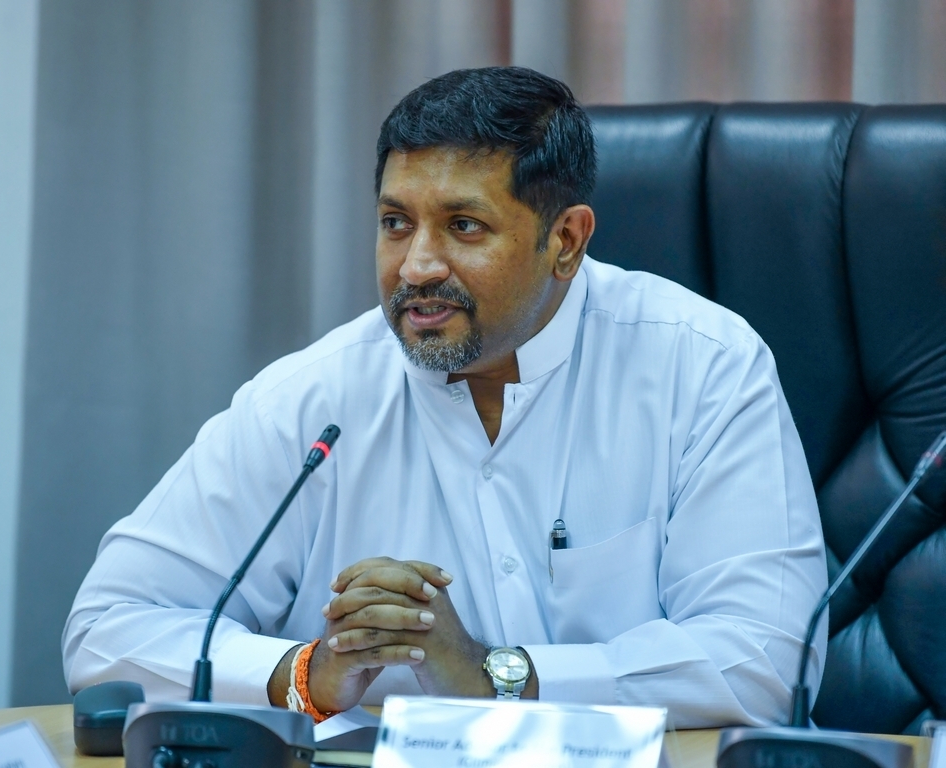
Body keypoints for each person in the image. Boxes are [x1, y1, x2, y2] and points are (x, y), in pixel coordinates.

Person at [63, 66, 827, 728]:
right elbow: (106, 629)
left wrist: (498, 676)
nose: (416, 266)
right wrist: (303, 674)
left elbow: (765, 661)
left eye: (463, 226)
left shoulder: (700, 367)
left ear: (564, 241)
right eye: (395, 223)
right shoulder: (310, 399)